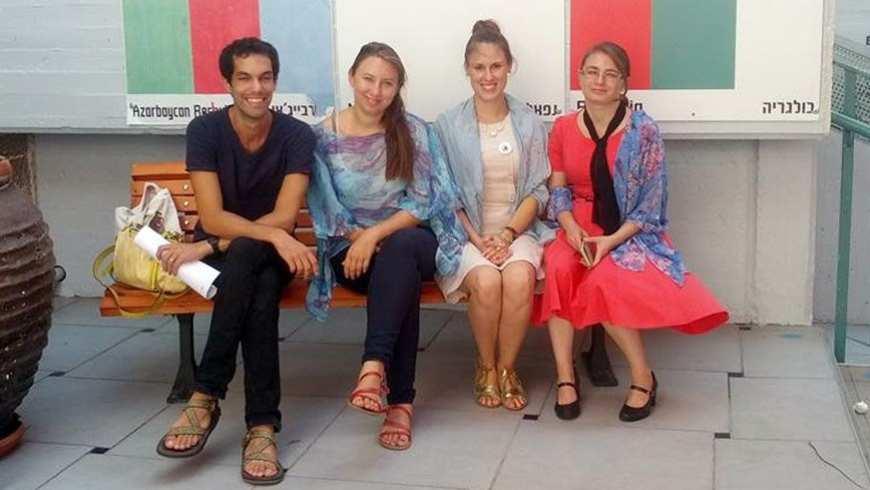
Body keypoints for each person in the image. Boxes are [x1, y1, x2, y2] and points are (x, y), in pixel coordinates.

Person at [532, 41, 729, 421]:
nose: (600, 81)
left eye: (610, 74)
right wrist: (570, 227)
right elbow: (558, 188)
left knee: (605, 280)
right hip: (576, 221)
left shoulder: (644, 131)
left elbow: (650, 206)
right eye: (592, 72)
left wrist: (609, 241)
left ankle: (643, 377)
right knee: (558, 267)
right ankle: (565, 376)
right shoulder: (562, 128)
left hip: (625, 228)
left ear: (624, 84)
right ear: (580, 78)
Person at [154, 37, 316, 486]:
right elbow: (212, 216)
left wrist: (212, 245)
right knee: (257, 292)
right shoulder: (205, 131)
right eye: (244, 78)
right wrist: (261, 236)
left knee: (249, 256)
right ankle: (262, 427)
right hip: (247, 258)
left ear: (275, 81)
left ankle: (206, 395)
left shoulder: (297, 136)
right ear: (227, 83)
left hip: (268, 255)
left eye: (265, 78)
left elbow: (285, 215)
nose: (256, 88)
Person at [306, 42, 462, 450]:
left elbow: (423, 202)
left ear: (398, 88)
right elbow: (326, 208)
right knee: (399, 278)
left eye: (387, 83)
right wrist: (358, 240)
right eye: (368, 79)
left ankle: (373, 367)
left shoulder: (413, 131)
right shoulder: (322, 138)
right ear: (351, 78)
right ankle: (400, 402)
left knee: (401, 251)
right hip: (349, 253)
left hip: (411, 240)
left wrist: (375, 236)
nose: (376, 91)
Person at [434, 20, 553, 411]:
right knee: (486, 282)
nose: (488, 76)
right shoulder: (448, 125)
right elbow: (444, 194)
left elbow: (538, 189)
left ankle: (507, 369)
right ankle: (485, 367)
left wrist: (506, 235)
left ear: (509, 66)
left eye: (496, 66)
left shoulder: (528, 122)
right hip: (466, 234)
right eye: (479, 67)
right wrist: (477, 238)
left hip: (517, 230)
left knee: (519, 279)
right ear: (467, 69)